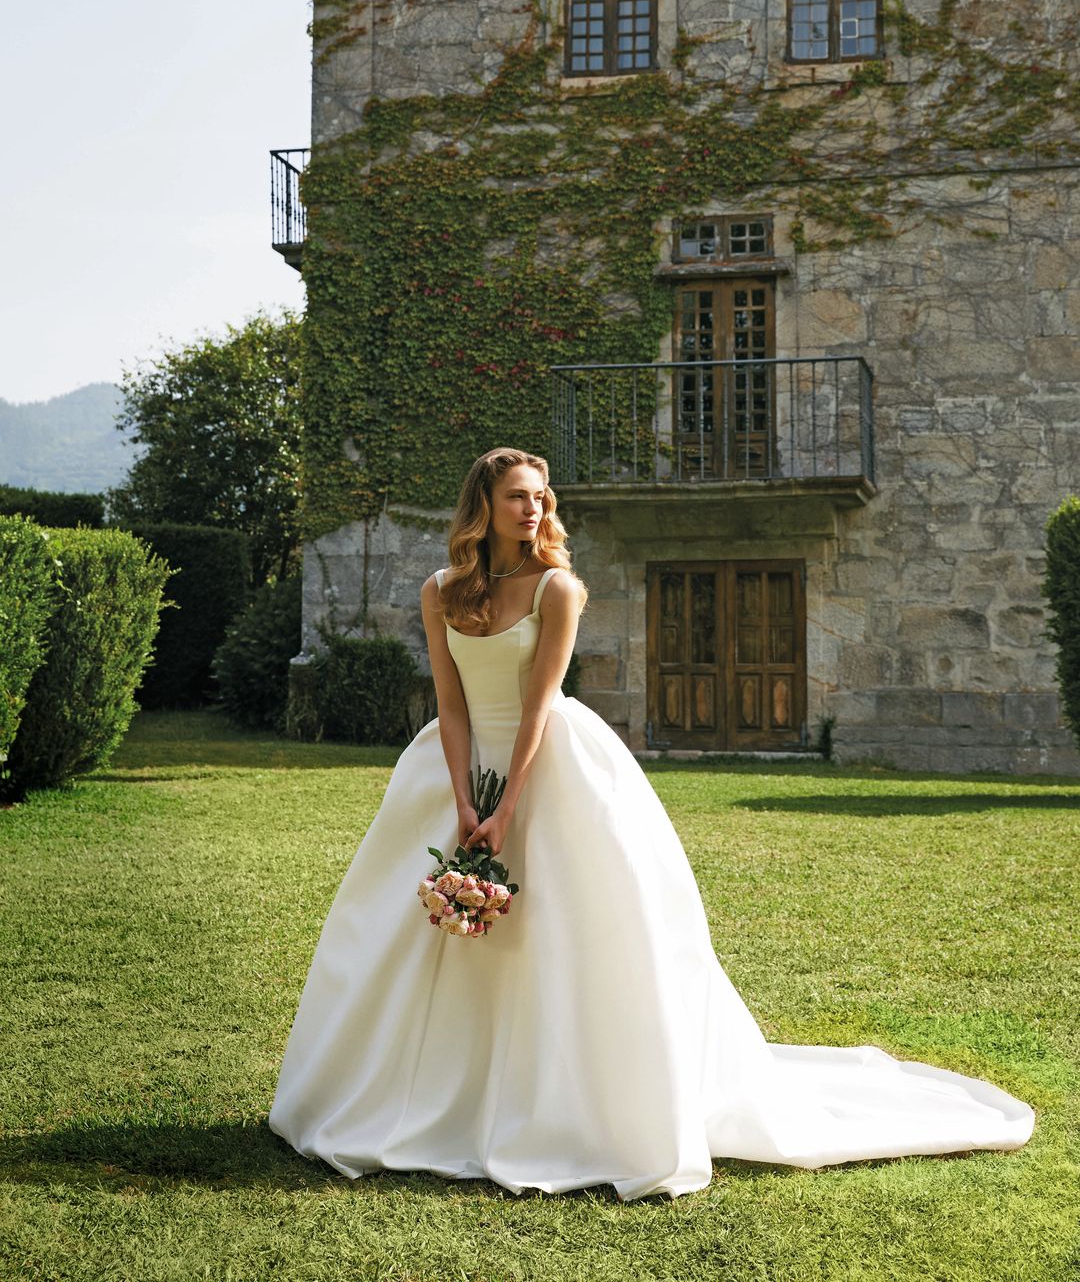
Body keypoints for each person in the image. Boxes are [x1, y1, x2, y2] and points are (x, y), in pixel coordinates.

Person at [268, 446, 1035, 1199]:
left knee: (562, 935)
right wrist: (465, 801)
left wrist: (508, 807)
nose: (533, 508)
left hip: (549, 766)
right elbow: (453, 702)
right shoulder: (441, 592)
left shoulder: (557, 589)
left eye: (540, 496)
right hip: (455, 766)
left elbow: (540, 705)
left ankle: (561, 1106)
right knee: (415, 940)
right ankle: (437, 1097)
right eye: (517, 497)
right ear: (483, 506)